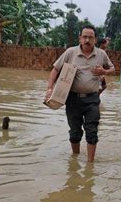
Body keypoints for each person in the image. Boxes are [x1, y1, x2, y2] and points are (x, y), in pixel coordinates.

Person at [44, 25, 115, 162]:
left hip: (92, 99)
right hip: (72, 99)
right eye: (85, 37)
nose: (87, 40)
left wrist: (104, 72)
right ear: (80, 38)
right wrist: (49, 88)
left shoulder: (101, 54)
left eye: (91, 37)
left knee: (92, 131)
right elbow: (55, 69)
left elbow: (112, 69)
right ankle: (75, 159)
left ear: (95, 39)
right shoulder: (70, 52)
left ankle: (90, 165)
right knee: (75, 132)